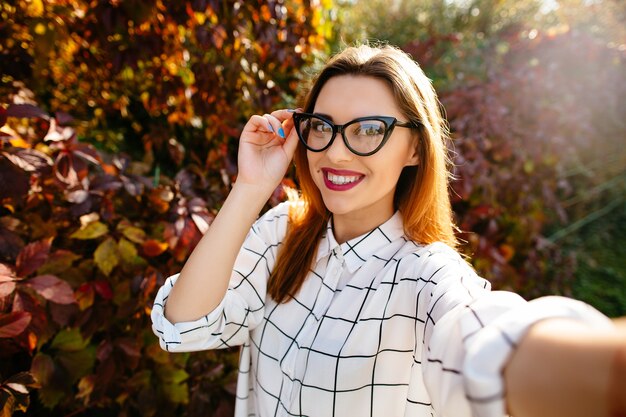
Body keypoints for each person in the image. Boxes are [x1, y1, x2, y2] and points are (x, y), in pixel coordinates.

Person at [151, 44, 626, 417]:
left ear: (416, 149)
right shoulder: (282, 233)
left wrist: (600, 372)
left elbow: (484, 345)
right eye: (323, 127)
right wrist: (251, 187)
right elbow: (183, 327)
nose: (336, 153)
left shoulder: (429, 277)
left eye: (369, 130)